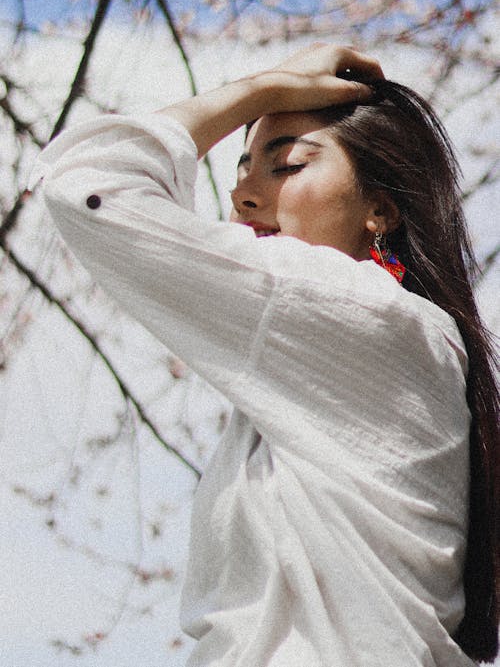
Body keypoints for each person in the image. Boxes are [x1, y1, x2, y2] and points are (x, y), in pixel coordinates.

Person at [32, 44, 499, 666]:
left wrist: (255, 91)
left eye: (287, 168)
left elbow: (89, 186)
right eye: (241, 168)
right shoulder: (369, 344)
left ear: (380, 209)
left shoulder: (365, 313)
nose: (244, 196)